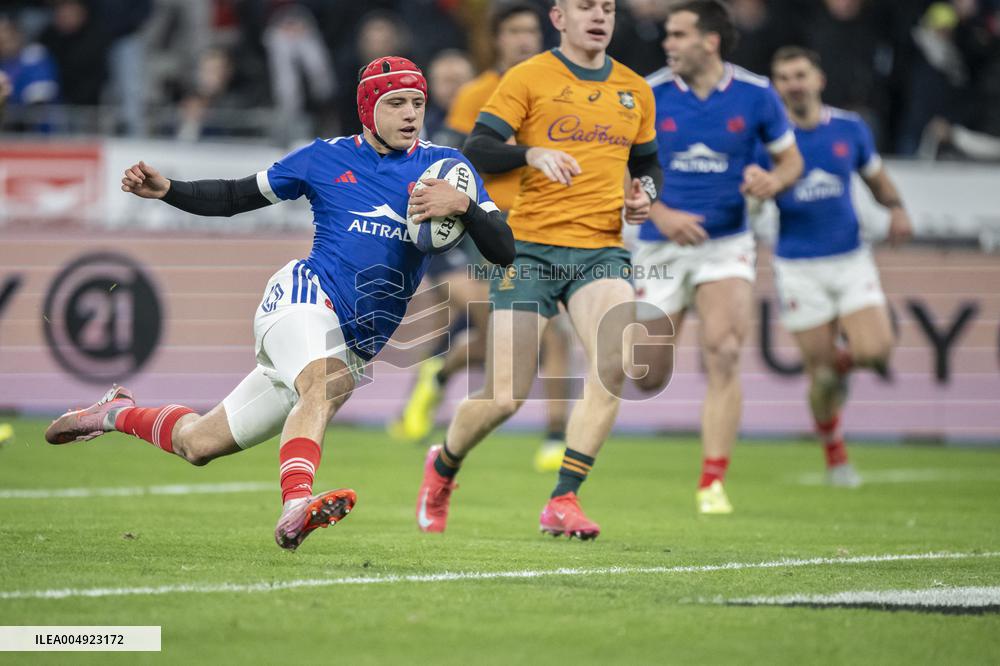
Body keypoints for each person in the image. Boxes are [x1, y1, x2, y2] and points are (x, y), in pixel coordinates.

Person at [44, 57, 515, 551]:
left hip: (357, 342)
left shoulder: (448, 170)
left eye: (417, 103)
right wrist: (167, 190)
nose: (410, 113)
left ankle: (114, 412)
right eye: (395, 102)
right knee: (324, 383)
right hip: (303, 297)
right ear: (367, 107)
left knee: (199, 444)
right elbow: (233, 196)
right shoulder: (324, 158)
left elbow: (503, 249)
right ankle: (296, 506)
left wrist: (462, 207)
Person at [415, 0, 662, 540]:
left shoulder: (635, 88)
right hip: (528, 250)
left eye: (607, 8)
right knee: (506, 394)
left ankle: (563, 499)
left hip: (601, 249)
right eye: (585, 7)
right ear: (560, 18)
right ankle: (443, 467)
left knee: (616, 360)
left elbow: (645, 161)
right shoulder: (530, 77)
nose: (598, 16)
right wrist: (529, 154)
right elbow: (476, 147)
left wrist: (645, 193)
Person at [629, 0, 803, 514]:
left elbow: (790, 159)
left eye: (678, 34)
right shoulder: (649, 93)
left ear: (710, 41)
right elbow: (618, 165)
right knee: (646, 375)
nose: (668, 43)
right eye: (667, 34)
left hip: (726, 242)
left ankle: (712, 482)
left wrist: (773, 180)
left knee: (725, 352)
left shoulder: (756, 95)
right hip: (661, 244)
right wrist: (659, 215)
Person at [390, 1, 573, 474]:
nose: (524, 39)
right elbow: (452, 161)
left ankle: (556, 433)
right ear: (498, 39)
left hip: (546, 221)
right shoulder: (477, 94)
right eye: (514, 31)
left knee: (553, 331)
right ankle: (443, 370)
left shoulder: (559, 91)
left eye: (531, 31)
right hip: (488, 224)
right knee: (511, 334)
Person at [766, 46, 912, 486]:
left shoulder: (850, 129)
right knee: (822, 375)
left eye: (800, 74)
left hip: (850, 259)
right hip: (797, 266)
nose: (794, 83)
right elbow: (751, 188)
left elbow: (875, 178)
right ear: (777, 88)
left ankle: (845, 363)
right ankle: (836, 456)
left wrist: (897, 208)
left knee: (874, 351)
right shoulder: (769, 142)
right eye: (784, 77)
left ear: (818, 80)